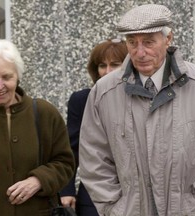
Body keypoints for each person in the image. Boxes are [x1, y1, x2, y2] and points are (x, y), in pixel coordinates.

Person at [79, 4, 195, 216]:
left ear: (168, 39)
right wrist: (116, 208)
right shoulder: (104, 92)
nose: (140, 52)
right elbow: (94, 160)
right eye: (132, 43)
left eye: (148, 42)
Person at [0, 39, 75, 216]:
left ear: (18, 75)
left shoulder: (45, 113)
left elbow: (65, 163)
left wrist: (39, 180)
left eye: (7, 77)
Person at [60, 39, 128, 215]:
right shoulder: (81, 100)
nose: (107, 72)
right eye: (102, 66)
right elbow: (71, 149)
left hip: (134, 192)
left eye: (115, 65)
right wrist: (66, 191)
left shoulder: (140, 100)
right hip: (93, 194)